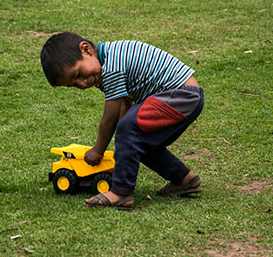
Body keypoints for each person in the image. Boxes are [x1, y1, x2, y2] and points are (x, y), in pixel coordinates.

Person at [40, 32, 204, 211]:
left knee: (129, 130)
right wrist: (124, 143)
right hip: (183, 98)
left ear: (86, 49)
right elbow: (125, 104)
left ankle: (121, 192)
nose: (82, 83)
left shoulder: (112, 67)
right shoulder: (107, 61)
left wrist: (98, 150)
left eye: (78, 73)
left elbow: (110, 117)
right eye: (73, 84)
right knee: (137, 142)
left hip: (180, 96)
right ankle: (184, 179)